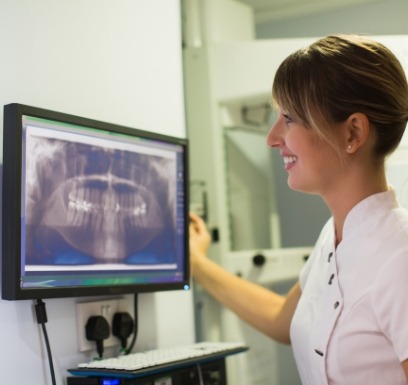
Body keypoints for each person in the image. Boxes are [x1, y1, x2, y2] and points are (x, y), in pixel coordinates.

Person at [189, 34, 408, 385]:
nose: (272, 137)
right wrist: (198, 263)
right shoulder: (333, 236)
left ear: (352, 132)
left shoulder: (399, 256)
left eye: (289, 118)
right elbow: (281, 318)